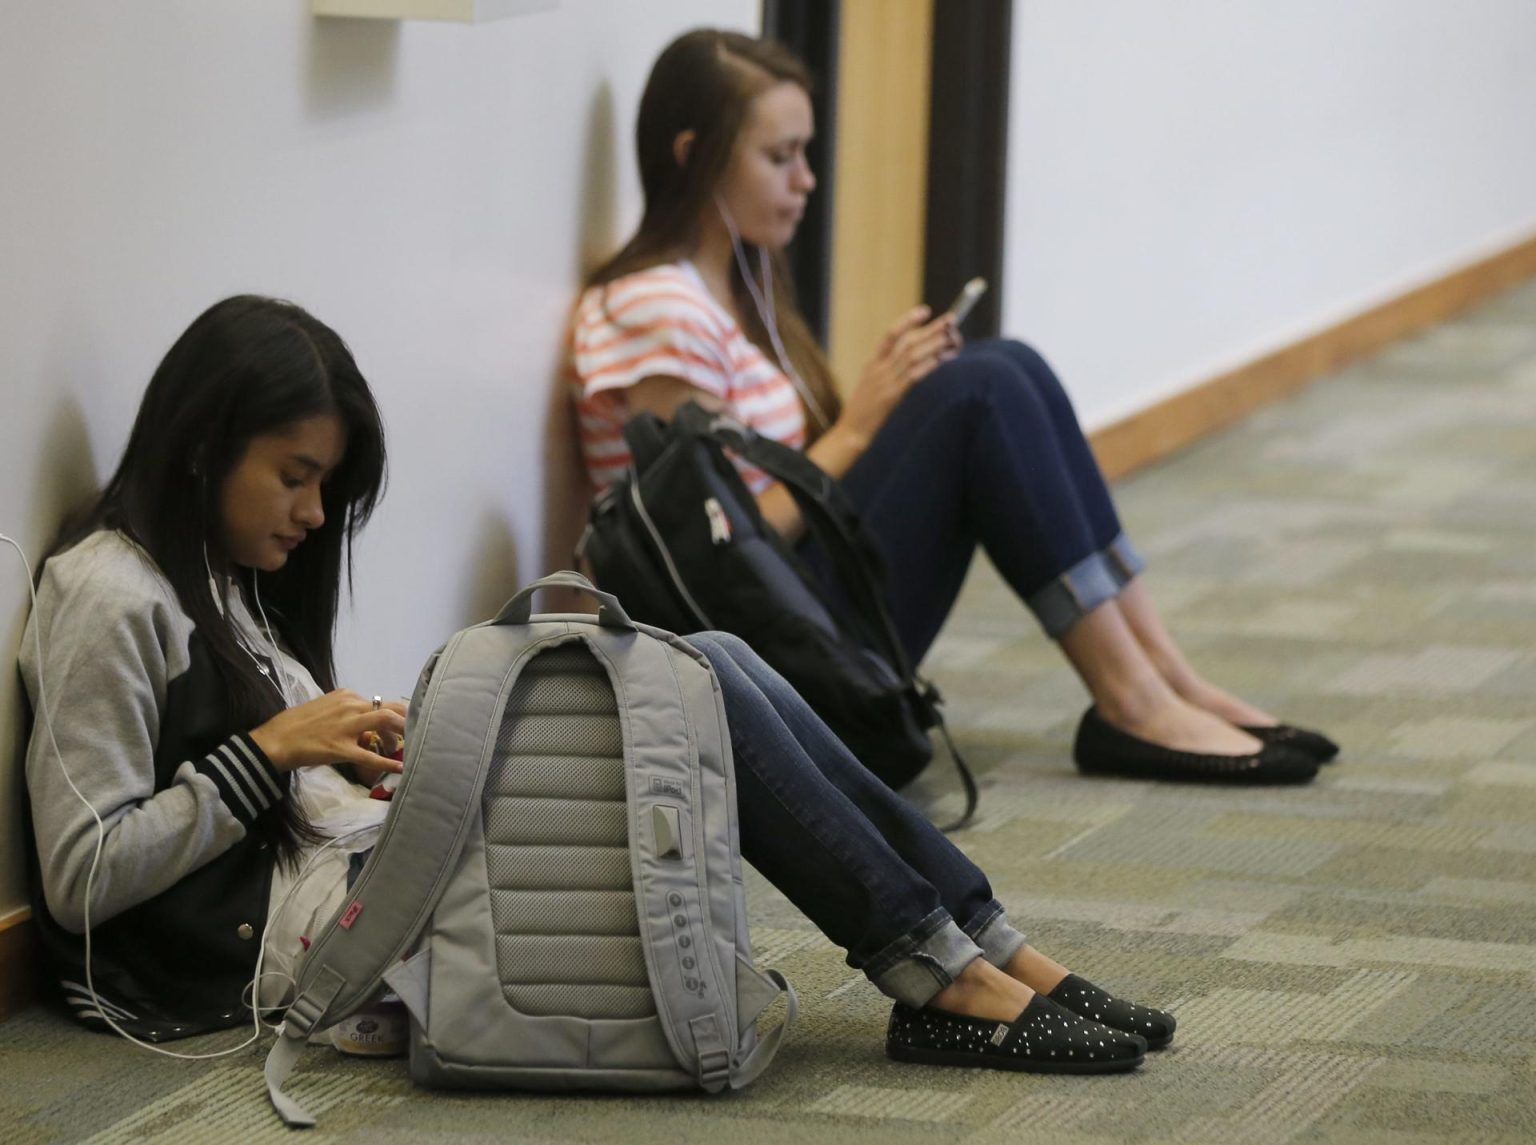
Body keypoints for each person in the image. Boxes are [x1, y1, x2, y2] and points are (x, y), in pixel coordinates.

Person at [22, 295, 1169, 1075]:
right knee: (700, 678)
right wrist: (272, 747)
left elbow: (284, 772)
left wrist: (360, 742)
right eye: (298, 478)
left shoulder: (211, 573)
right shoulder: (108, 596)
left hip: (377, 862)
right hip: (333, 938)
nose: (316, 514)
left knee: (705, 660)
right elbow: (79, 880)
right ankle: (950, 976)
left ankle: (983, 944)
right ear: (198, 447)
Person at [570, 29, 1338, 786]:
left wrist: (876, 410)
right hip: (746, 663)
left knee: (1008, 364)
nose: (806, 179)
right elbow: (712, 556)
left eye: (806, 152)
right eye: (780, 158)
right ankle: (1132, 699)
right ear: (691, 157)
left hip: (789, 614)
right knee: (981, 391)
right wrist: (862, 425)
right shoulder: (657, 310)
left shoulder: (736, 291)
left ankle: (1168, 677)